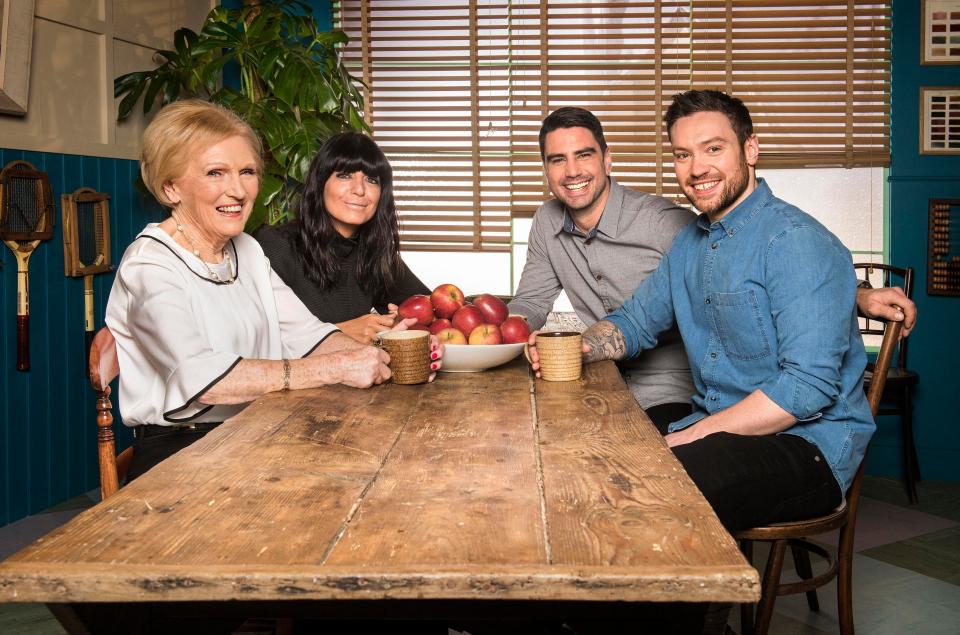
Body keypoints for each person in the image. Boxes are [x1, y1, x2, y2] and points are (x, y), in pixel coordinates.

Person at [535, 90, 876, 532]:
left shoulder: (794, 240)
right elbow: (635, 322)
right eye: (683, 155)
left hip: (807, 447)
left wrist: (690, 436)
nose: (697, 169)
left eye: (713, 149)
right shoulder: (690, 245)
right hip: (715, 421)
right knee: (594, 457)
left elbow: (805, 389)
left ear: (750, 149)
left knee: (654, 489)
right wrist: (576, 350)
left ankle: (688, 600)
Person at [509, 107, 916, 429]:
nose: (572, 170)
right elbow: (619, 317)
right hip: (612, 378)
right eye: (557, 160)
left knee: (640, 471)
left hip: (680, 388)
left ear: (607, 159)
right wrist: (503, 340)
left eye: (583, 155)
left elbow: (774, 266)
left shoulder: (672, 224)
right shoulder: (551, 222)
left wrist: (860, 296)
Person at [106, 100, 442, 482]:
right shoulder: (149, 265)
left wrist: (395, 350)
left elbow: (309, 336)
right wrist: (334, 367)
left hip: (259, 431)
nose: (237, 190)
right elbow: (204, 380)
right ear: (170, 188)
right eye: (215, 173)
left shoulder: (246, 250)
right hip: (183, 454)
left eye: (247, 172)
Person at [256, 132, 430, 344]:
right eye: (345, 175)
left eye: (371, 179)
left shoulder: (375, 250)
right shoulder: (276, 246)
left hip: (358, 375)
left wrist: (401, 322)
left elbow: (435, 307)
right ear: (320, 183)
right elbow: (254, 342)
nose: (360, 190)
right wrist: (336, 334)